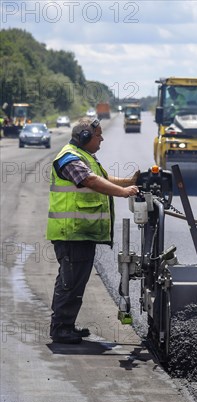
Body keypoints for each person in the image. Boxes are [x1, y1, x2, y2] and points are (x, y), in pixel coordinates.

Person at [46, 117, 140, 344]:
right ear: (85, 137)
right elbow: (90, 181)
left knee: (76, 282)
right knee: (70, 282)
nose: (102, 139)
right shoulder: (69, 158)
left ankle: (66, 325)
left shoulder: (86, 156)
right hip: (71, 233)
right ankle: (60, 329)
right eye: (98, 136)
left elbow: (103, 178)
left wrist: (130, 182)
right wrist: (123, 192)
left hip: (81, 234)